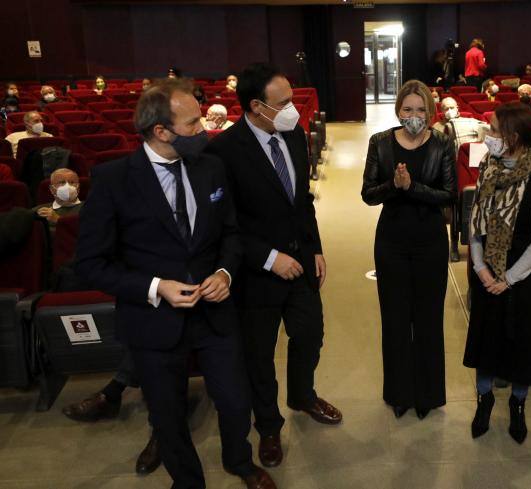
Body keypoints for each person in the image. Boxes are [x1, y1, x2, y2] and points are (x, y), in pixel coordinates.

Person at [74, 78, 275, 489]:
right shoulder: (113, 180)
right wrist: (154, 286)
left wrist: (225, 272)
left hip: (215, 314)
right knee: (167, 416)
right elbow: (91, 265)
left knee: (236, 403)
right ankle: (187, 481)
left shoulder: (212, 166)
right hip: (154, 321)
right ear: (160, 131)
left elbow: (231, 234)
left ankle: (240, 461)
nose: (203, 129)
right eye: (193, 124)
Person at [204, 63, 342, 470]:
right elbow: (226, 224)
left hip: (300, 260)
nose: (293, 109)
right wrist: (268, 257)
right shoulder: (224, 151)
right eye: (283, 103)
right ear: (256, 107)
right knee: (259, 354)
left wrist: (313, 247)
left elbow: (301, 202)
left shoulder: (295, 135)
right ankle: (267, 425)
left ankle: (303, 395)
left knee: (310, 334)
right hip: (255, 273)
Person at [361, 79, 455, 420]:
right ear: (398, 110)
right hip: (392, 242)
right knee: (396, 320)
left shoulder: (442, 143)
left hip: (430, 241)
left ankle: (428, 394)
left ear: (430, 112)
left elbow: (448, 195)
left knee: (429, 320)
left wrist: (411, 187)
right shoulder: (380, 142)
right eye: (408, 109)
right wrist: (394, 186)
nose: (414, 116)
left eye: (420, 110)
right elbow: (369, 193)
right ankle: (399, 393)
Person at [464, 102, 531, 444]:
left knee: (521, 346)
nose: (487, 136)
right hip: (487, 270)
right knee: (486, 345)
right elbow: (475, 223)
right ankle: (484, 399)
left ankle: (518, 405)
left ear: (514, 137)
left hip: (524, 277)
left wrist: (509, 278)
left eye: (493, 130)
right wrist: (479, 267)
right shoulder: (488, 166)